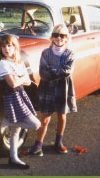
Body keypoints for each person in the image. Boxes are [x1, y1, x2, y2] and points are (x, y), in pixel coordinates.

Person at [29, 24, 77, 156]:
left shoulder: (70, 53)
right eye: (56, 35)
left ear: (67, 38)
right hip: (47, 88)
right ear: (52, 37)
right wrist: (56, 71)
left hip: (63, 88)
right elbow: (43, 72)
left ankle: (58, 142)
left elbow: (67, 71)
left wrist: (52, 70)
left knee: (62, 116)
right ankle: (38, 145)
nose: (59, 38)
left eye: (62, 35)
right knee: (44, 118)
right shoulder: (45, 53)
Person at [0, 34, 41, 169]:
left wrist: (21, 79)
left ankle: (13, 158)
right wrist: (21, 78)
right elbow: (13, 83)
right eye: (3, 46)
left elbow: (27, 82)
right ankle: (5, 122)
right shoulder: (3, 63)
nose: (6, 48)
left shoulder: (18, 62)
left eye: (9, 45)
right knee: (36, 125)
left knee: (16, 130)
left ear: (15, 47)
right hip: (11, 98)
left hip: (21, 95)